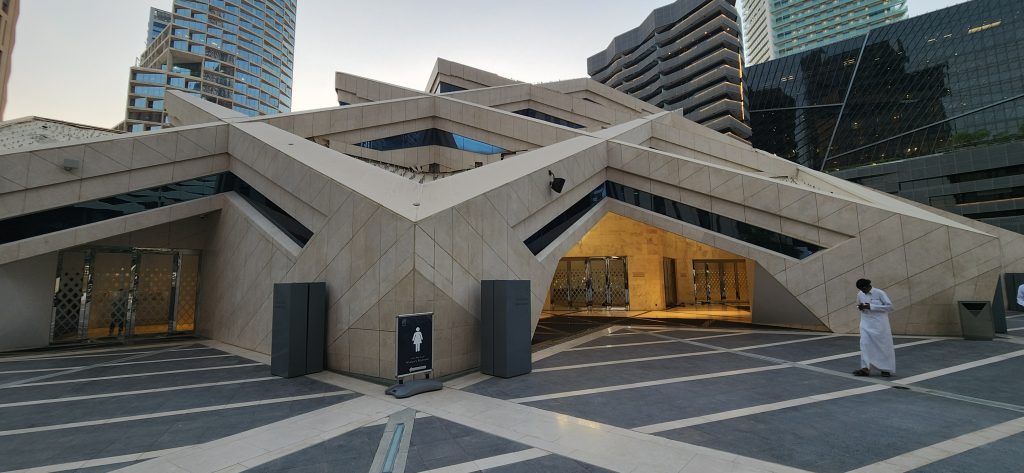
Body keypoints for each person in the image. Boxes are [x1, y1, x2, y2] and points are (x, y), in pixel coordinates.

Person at [853, 278, 895, 377]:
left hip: (880, 325)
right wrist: (860, 307)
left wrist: (871, 306)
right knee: (864, 344)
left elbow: (890, 307)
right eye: (861, 290)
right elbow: (857, 305)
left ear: (868, 286)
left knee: (883, 347)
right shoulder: (860, 294)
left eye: (864, 289)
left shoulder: (880, 293)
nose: (863, 291)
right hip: (866, 323)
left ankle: (885, 369)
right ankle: (865, 368)